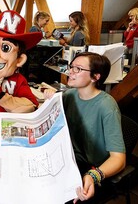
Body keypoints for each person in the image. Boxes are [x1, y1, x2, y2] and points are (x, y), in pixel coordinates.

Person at [43, 52, 126, 203]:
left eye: (78, 69)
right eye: (71, 67)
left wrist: (93, 175)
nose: (70, 72)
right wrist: (50, 99)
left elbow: (119, 159)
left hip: (91, 166)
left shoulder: (107, 106)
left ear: (95, 77)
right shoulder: (71, 95)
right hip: (69, 158)